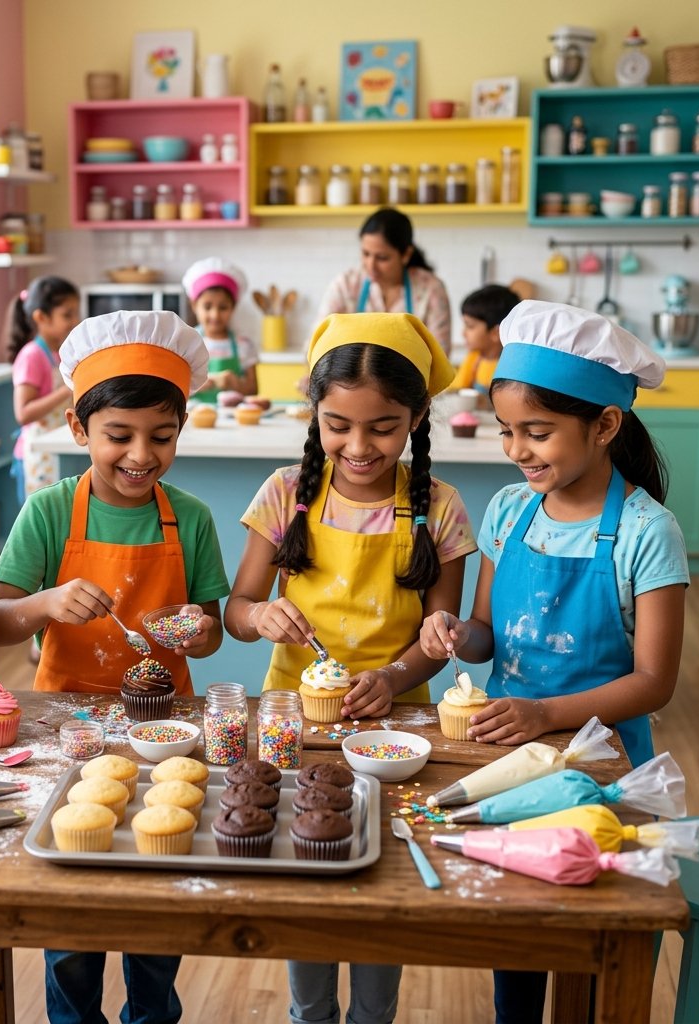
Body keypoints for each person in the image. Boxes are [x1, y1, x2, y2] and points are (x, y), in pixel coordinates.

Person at [418, 300, 689, 1024]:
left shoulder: (646, 531)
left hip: (602, 763)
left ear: (605, 426)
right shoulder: (510, 509)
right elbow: (484, 632)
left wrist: (545, 713)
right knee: (520, 915)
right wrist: (451, 631)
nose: (517, 449)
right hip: (510, 753)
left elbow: (654, 681)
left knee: (586, 931)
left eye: (537, 432)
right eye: (508, 431)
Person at [225, 312, 477, 1024]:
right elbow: (237, 608)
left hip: (397, 730)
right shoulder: (284, 494)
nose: (358, 446)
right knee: (305, 877)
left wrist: (395, 677)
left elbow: (438, 635)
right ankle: (311, 1016)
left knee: (381, 883)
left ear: (417, 417)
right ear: (315, 412)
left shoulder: (440, 508)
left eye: (383, 427)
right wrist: (261, 615)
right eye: (337, 425)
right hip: (291, 726)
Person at [0, 309, 231, 1024]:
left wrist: (184, 628)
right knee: (73, 905)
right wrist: (49, 602)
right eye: (118, 436)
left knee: (156, 898)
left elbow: (212, 634)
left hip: (166, 734)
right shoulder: (49, 512)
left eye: (162, 437)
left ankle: (152, 1014)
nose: (140, 455)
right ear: (78, 428)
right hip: (69, 728)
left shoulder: (190, 518)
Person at [318, 207, 452, 353]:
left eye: (382, 258)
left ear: (406, 254)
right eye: (365, 254)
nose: (371, 265)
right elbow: (318, 344)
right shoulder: (345, 286)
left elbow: (440, 357)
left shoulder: (431, 289)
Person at [6, 275, 80, 503]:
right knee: (44, 520)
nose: (75, 321)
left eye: (76, 313)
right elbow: (23, 413)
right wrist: (67, 389)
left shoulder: (57, 353)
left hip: (57, 447)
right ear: (41, 317)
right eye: (67, 315)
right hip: (38, 454)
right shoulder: (32, 355)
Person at [181, 256, 258, 402]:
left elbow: (253, 390)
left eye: (223, 307)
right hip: (195, 419)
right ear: (194, 305)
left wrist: (236, 384)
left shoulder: (244, 344)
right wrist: (198, 384)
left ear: (233, 307)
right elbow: (175, 387)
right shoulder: (186, 343)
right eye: (207, 306)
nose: (215, 315)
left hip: (235, 420)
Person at [448, 283, 521, 396]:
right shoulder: (474, 357)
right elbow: (456, 387)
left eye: (470, 326)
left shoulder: (511, 368)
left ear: (495, 333)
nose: (463, 333)